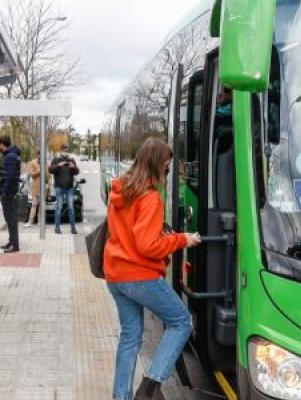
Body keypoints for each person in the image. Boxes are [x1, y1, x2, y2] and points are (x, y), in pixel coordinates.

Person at [104, 137, 201, 400]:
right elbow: (147, 245)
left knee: (130, 337)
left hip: (115, 274)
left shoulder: (120, 190)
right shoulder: (150, 198)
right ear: (157, 165)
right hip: (140, 275)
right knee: (181, 322)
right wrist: (182, 239)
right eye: (167, 168)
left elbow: (124, 232)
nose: (168, 173)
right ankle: (150, 387)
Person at [0, 135, 21, 253]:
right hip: (8, 192)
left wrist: (4, 191)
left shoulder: (10, 156)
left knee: (11, 219)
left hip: (8, 193)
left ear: (3, 144)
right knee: (9, 218)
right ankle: (11, 241)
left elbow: (10, 176)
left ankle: (14, 245)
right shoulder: (11, 155)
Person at [49, 144, 80, 234]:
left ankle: (73, 228)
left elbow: (77, 172)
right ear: (61, 150)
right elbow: (50, 170)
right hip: (59, 187)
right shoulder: (56, 159)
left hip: (69, 187)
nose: (65, 152)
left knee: (71, 208)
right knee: (59, 207)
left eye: (66, 150)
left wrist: (73, 167)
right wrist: (58, 165)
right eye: (64, 150)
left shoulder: (71, 159)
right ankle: (57, 228)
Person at [24, 150, 42, 227]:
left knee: (42, 205)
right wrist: (39, 170)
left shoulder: (46, 163)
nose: (41, 157)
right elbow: (32, 174)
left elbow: (48, 175)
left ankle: (40, 221)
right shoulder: (32, 163)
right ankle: (30, 221)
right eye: (40, 155)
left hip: (44, 187)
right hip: (35, 187)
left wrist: (50, 184)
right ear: (37, 155)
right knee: (34, 204)